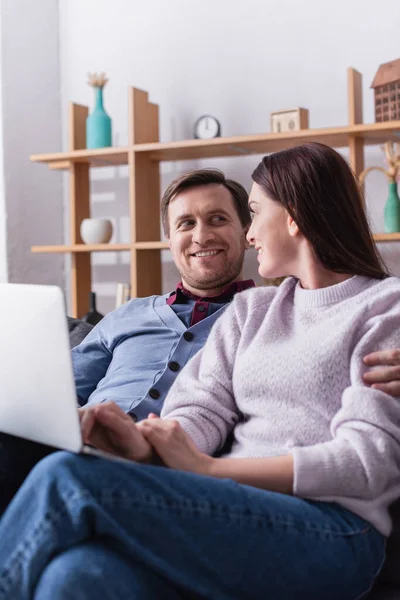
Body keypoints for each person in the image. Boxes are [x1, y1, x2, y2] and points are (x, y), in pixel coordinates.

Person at [0, 142, 400, 600]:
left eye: (252, 212)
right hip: (229, 510)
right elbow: (199, 411)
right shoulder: (253, 310)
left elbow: (364, 464)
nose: (249, 235)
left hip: (334, 532)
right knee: (77, 574)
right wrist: (146, 444)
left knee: (66, 478)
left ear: (293, 216)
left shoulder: (385, 308)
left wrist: (209, 471)